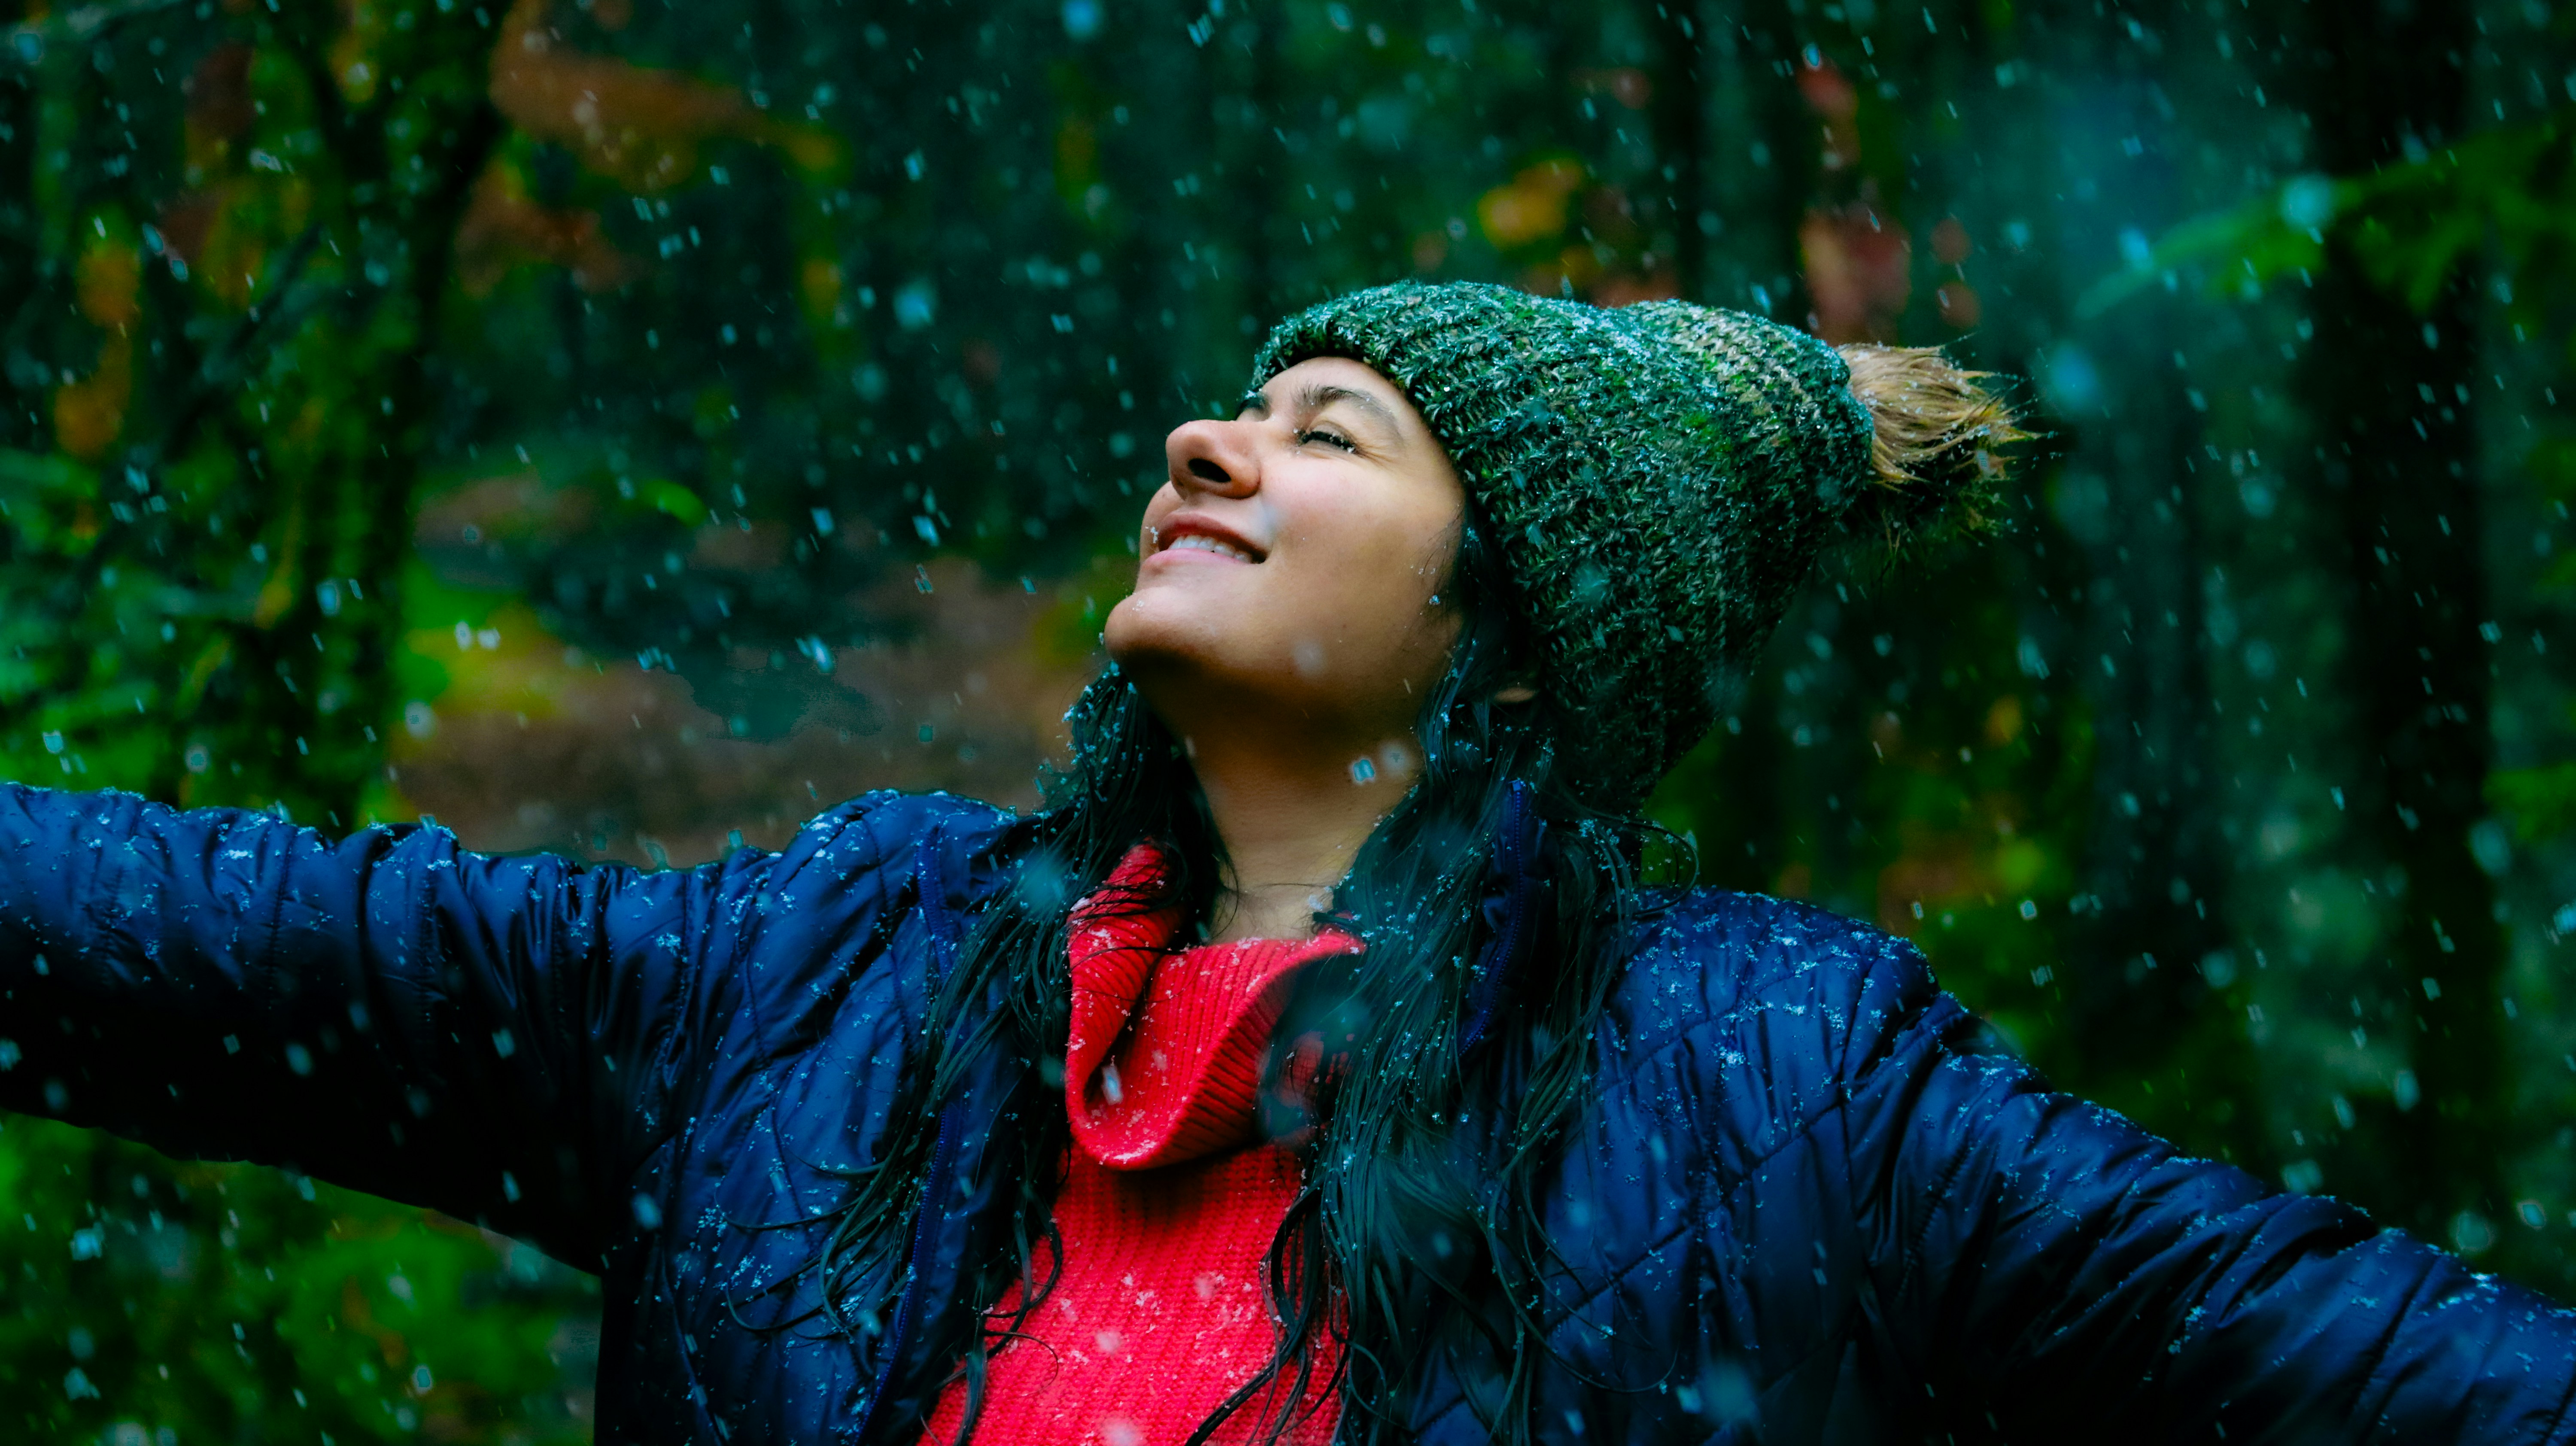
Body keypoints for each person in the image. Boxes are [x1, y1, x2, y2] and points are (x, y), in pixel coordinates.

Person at [2, 281, 2570, 1445]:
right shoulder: (820, 979)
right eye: (1236, 408)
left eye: (1330, 430)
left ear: (1518, 638)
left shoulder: (1784, 1086)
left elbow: (2348, 1354)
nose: (1219, 446)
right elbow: (208, 938)